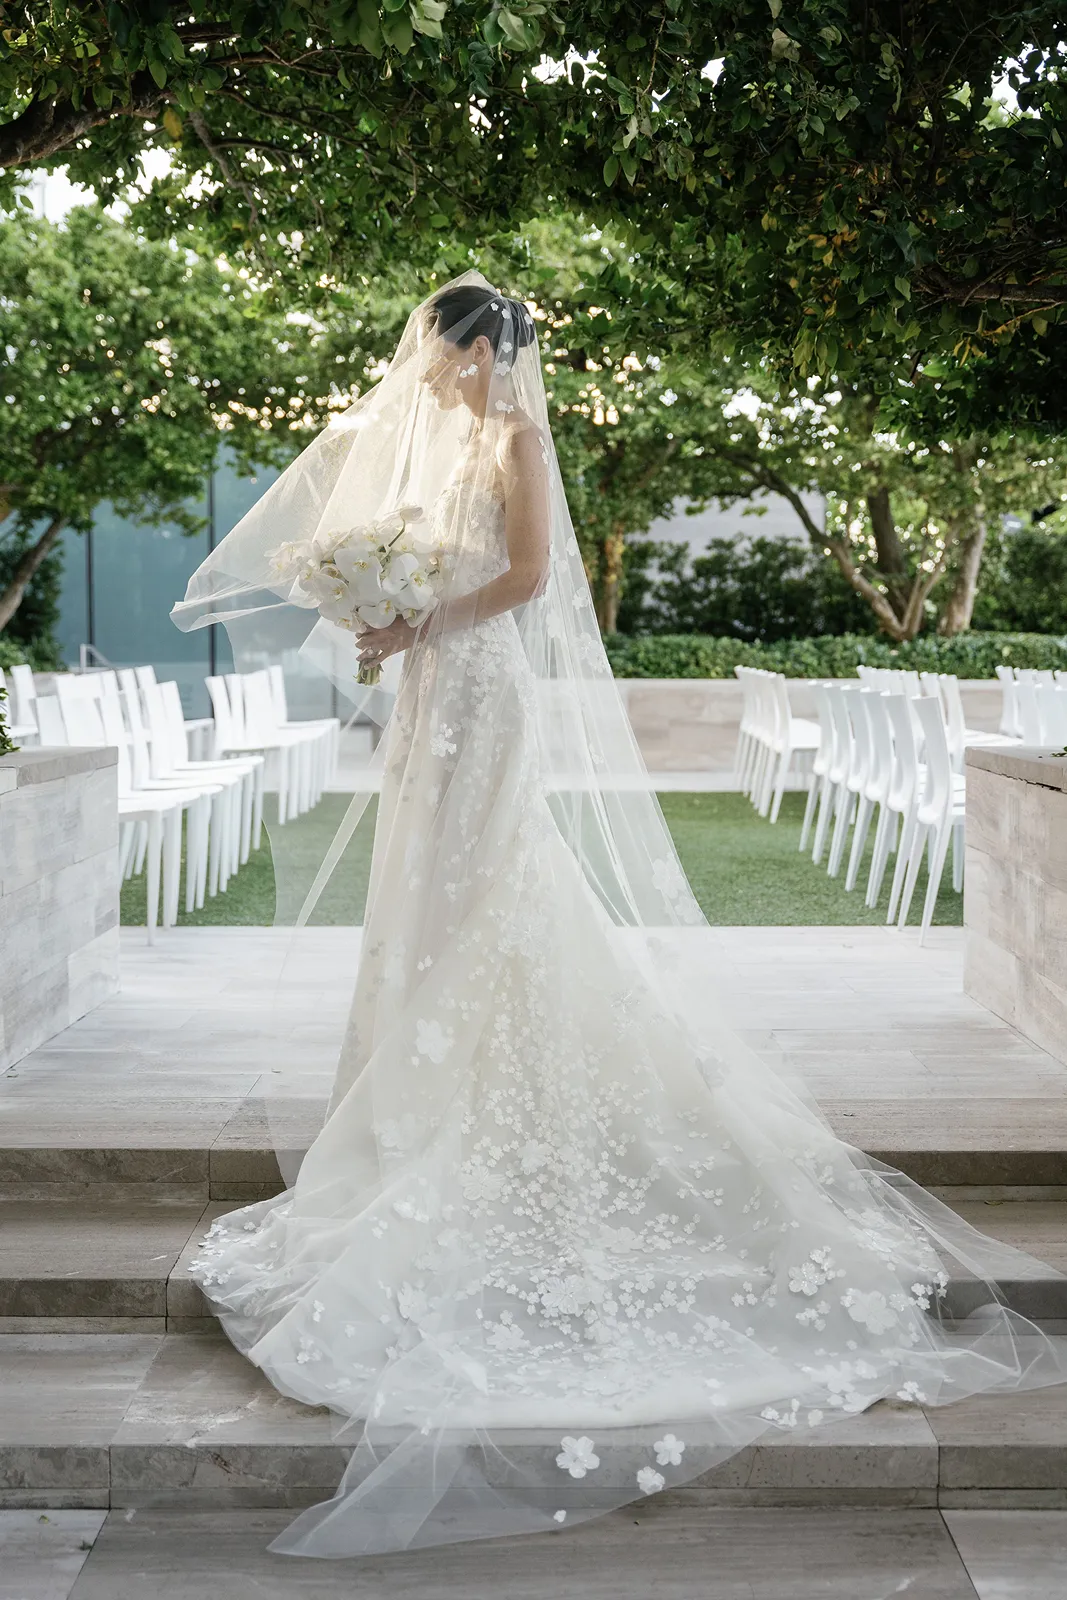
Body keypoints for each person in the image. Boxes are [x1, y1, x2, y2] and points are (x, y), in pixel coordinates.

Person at [172, 273, 1067, 1559]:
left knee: (493, 896)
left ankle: (492, 1105)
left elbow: (529, 577)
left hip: (485, 699)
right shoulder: (443, 441)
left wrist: (420, 612)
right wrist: (384, 622)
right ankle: (424, 1093)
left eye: (437, 342)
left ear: (485, 349)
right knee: (428, 905)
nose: (419, 360)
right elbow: (432, 573)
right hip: (435, 697)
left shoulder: (521, 438)